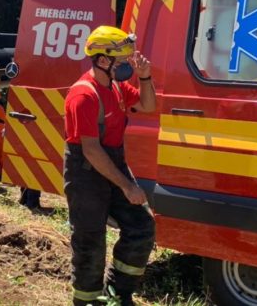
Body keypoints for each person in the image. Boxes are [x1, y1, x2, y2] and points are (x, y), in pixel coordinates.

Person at [63, 26, 156, 306]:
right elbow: (91, 150)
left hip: (111, 163)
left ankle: (118, 293)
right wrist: (127, 186)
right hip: (87, 173)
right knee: (91, 243)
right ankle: (88, 301)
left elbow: (149, 105)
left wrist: (145, 77)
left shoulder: (116, 86)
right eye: (122, 59)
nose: (127, 63)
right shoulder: (84, 95)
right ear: (103, 61)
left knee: (142, 226)